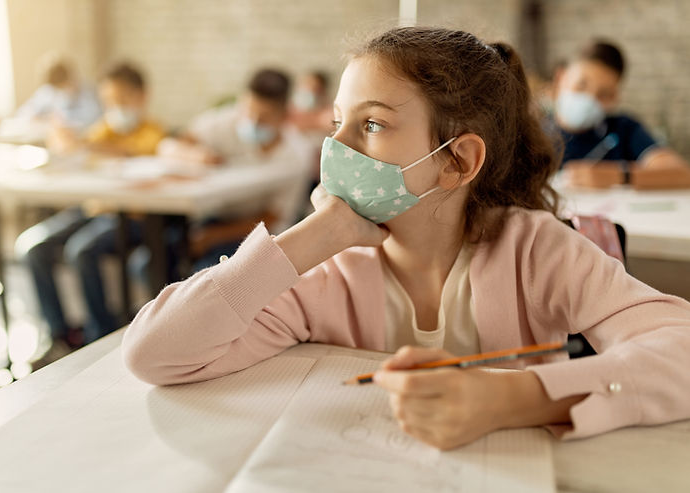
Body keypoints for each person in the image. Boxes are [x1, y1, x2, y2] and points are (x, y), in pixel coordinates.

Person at [122, 27, 690, 451]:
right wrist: (313, 236)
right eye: (336, 122)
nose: (336, 147)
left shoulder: (535, 251)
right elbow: (156, 352)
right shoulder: (327, 267)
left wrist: (514, 398)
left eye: (370, 124)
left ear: (457, 161)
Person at [16, 63, 165, 352]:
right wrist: (66, 142)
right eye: (109, 101)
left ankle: (101, 337)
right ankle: (61, 335)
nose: (115, 107)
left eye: (122, 100)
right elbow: (75, 152)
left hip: (130, 215)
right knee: (32, 246)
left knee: (81, 251)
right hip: (94, 209)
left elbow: (134, 153)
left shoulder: (154, 132)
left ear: (142, 96)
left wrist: (86, 146)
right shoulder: (103, 129)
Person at [157, 68, 314, 267]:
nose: (253, 122)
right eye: (249, 111)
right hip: (216, 218)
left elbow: (274, 216)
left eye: (264, 117)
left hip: (259, 234)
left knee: (203, 273)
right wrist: (196, 155)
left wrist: (211, 237)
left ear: (285, 116)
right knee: (152, 262)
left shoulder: (297, 155)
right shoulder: (225, 122)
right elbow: (170, 145)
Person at [551, 40, 690, 187]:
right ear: (561, 77)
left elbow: (683, 175)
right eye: (581, 85)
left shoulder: (623, 129)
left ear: (614, 97)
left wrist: (621, 176)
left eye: (603, 94)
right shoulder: (533, 131)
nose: (590, 99)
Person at [15, 55, 101, 133]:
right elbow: (24, 113)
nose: (59, 91)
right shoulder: (48, 91)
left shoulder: (87, 90)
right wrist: (45, 118)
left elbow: (93, 118)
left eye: (62, 85)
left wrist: (62, 117)